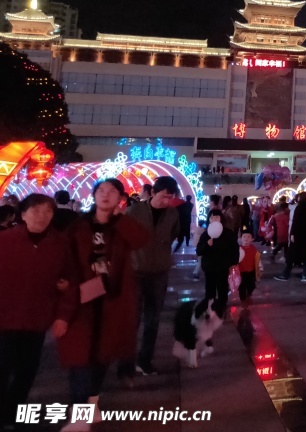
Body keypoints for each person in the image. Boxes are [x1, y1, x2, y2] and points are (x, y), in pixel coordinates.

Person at [60, 179, 149, 426]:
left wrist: (120, 219)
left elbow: (141, 239)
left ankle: (92, 401)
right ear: (94, 195)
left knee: (103, 354)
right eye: (101, 191)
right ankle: (80, 416)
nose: (105, 195)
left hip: (113, 298)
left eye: (112, 192)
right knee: (81, 356)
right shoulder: (79, 226)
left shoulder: (122, 226)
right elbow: (65, 255)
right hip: (82, 298)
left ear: (120, 197)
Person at [0, 195, 75, 430]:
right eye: (35, 211)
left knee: (27, 370)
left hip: (37, 319)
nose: (41, 216)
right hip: (4, 318)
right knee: (1, 369)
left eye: (47, 211)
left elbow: (69, 281)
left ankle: (11, 414)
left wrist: (63, 315)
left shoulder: (60, 244)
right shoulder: (4, 240)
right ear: (22, 214)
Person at [118, 174, 179, 381]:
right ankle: (125, 364)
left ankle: (144, 361)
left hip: (159, 273)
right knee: (131, 319)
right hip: (136, 271)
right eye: (163, 196)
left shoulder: (172, 214)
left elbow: (172, 236)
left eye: (170, 198)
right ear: (152, 192)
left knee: (153, 320)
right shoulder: (135, 210)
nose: (167, 201)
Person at [196, 209, 238, 312]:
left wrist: (234, 263)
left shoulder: (228, 233)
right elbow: (199, 251)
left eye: (217, 217)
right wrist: (207, 245)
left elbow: (234, 248)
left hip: (223, 266)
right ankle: (210, 308)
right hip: (209, 267)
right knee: (210, 289)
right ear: (208, 220)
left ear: (221, 219)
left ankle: (222, 307)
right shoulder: (205, 235)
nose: (214, 219)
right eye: (212, 217)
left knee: (222, 288)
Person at [276, 192, 306, 281]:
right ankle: (305, 275)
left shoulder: (299, 207)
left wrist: (292, 234)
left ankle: (285, 274)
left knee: (291, 255)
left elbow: (296, 222)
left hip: (298, 236)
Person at [237, 231, 260, 304]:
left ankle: (249, 293)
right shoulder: (239, 249)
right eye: (244, 236)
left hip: (251, 271)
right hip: (241, 272)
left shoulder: (253, 248)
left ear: (252, 239)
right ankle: (243, 300)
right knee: (242, 286)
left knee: (252, 285)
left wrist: (259, 266)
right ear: (240, 239)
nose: (246, 238)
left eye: (248, 237)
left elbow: (257, 258)